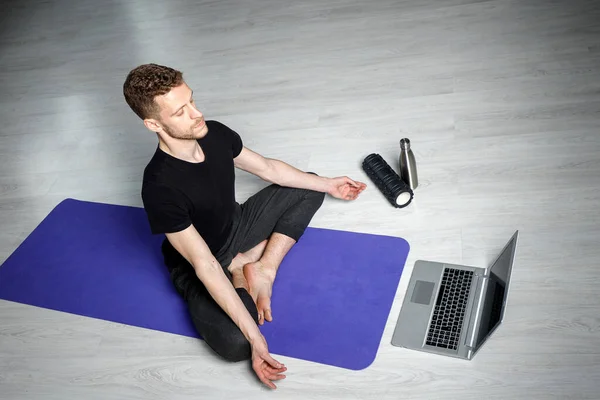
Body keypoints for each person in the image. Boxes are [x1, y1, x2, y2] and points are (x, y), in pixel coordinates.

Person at [122, 63, 367, 389]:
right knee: (236, 343)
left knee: (311, 185)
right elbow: (206, 264)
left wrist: (330, 184)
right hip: (199, 262)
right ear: (153, 124)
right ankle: (239, 268)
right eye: (181, 112)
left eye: (192, 101)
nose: (197, 114)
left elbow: (268, 169)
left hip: (236, 224)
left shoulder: (214, 133)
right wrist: (256, 340)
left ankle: (264, 267)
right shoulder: (160, 186)